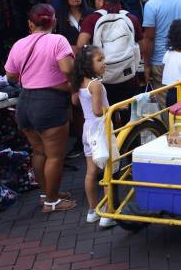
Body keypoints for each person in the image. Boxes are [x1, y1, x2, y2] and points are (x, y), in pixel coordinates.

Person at [5, 4, 75, 213]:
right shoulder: (58, 40)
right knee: (54, 155)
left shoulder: (19, 44)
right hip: (50, 104)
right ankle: (52, 202)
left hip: (25, 102)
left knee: (38, 152)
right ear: (53, 22)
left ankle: (47, 193)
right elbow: (67, 69)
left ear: (30, 23)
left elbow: (11, 76)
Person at [76, 0, 144, 125]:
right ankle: (131, 144)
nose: (95, 1)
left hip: (103, 80)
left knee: (107, 119)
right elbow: (141, 46)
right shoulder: (131, 18)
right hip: (128, 77)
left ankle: (112, 145)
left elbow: (81, 46)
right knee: (130, 119)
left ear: (101, 1)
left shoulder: (92, 19)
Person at [71, 45, 116, 228]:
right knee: (107, 171)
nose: (104, 63)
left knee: (91, 172)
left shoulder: (80, 83)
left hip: (87, 131)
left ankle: (92, 211)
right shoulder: (96, 85)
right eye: (99, 60)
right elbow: (98, 112)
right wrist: (115, 108)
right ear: (88, 64)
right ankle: (107, 212)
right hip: (100, 129)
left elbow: (75, 102)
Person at [55, 0, 94, 159]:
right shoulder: (60, 17)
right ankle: (80, 140)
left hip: (90, 63)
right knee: (77, 104)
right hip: (71, 65)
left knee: (94, 101)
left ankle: (95, 137)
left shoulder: (90, 14)